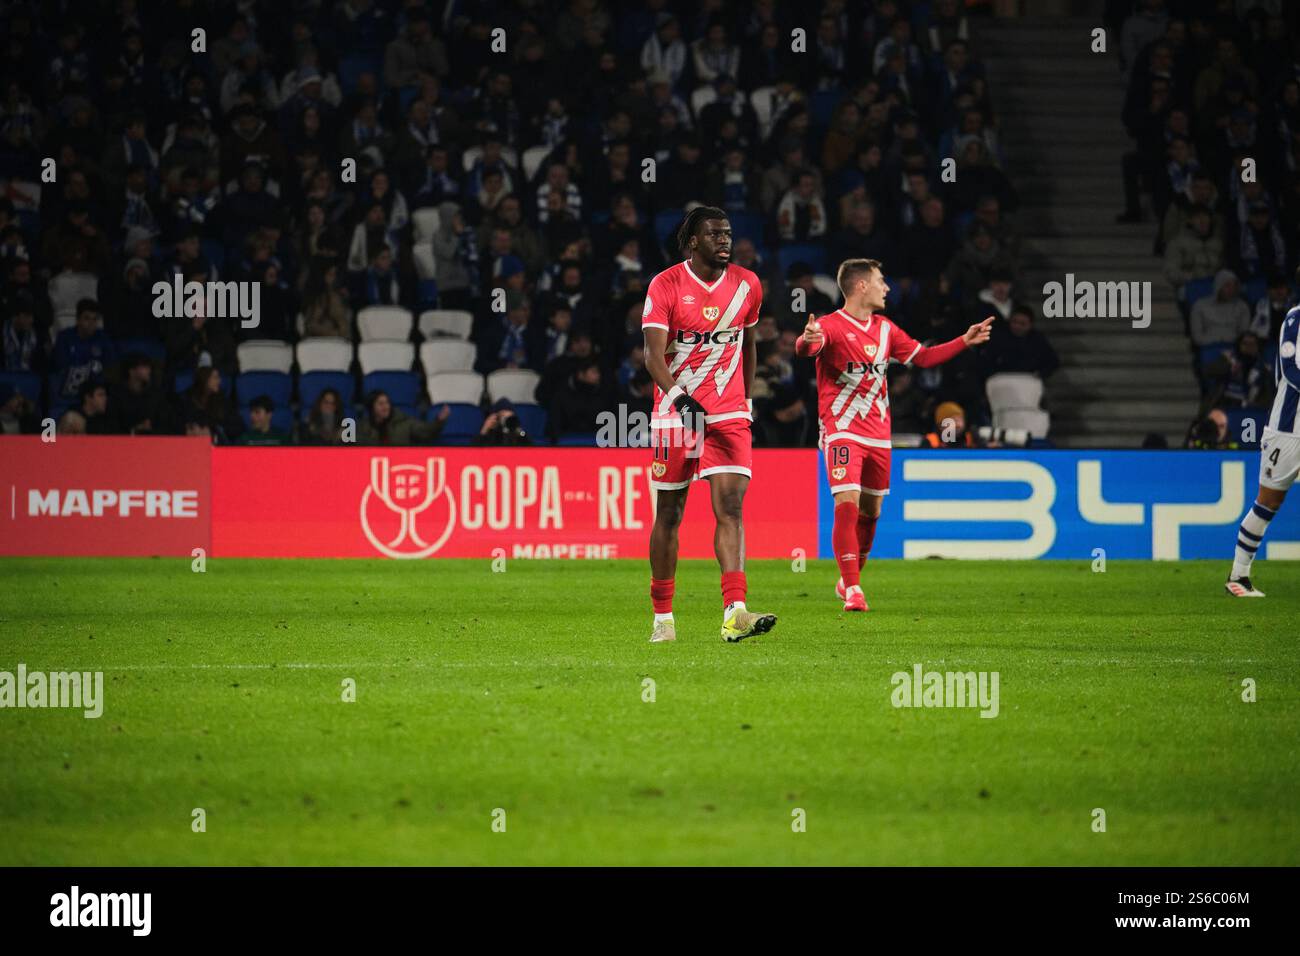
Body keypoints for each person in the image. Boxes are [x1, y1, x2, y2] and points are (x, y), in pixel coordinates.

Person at [795, 258, 992, 611]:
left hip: (878, 434)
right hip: (842, 430)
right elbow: (809, 347)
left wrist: (964, 340)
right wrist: (805, 341)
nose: (886, 288)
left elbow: (926, 358)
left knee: (871, 511)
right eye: (880, 281)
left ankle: (848, 578)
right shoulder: (830, 326)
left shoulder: (886, 329)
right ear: (861, 286)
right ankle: (855, 591)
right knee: (846, 503)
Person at [641, 206, 776, 644]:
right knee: (670, 514)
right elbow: (652, 355)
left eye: (728, 234)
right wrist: (680, 398)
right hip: (675, 414)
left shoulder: (748, 285)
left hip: (730, 412)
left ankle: (735, 611)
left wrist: (747, 400)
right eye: (715, 234)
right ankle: (663, 616)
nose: (725, 241)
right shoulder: (665, 285)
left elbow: (749, 345)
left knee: (732, 508)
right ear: (693, 241)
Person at [1226, 275, 1300, 598]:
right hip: (1286, 430)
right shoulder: (1295, 319)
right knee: (1268, 502)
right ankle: (1238, 577)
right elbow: (1291, 369)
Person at [357, 390, 446, 445]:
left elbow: (426, 432)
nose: (386, 407)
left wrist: (438, 421)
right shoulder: (363, 427)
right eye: (381, 404)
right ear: (372, 407)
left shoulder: (404, 422)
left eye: (387, 403)